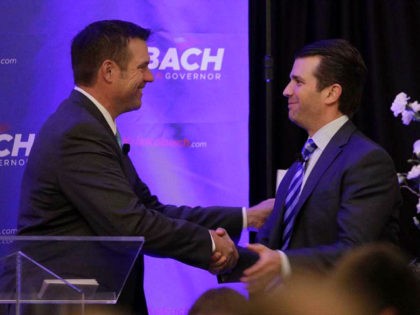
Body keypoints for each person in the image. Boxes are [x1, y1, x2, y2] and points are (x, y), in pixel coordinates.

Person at [16, 20, 274, 314]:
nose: (150, 77)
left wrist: (247, 218)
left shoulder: (90, 125)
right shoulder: (79, 132)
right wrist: (211, 246)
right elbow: (130, 224)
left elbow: (151, 210)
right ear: (109, 71)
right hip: (72, 304)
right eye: (142, 67)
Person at [219, 39, 401, 293]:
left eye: (298, 82)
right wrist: (232, 255)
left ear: (331, 93)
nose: (286, 90)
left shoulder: (367, 161)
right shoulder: (302, 162)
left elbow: (354, 252)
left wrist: (281, 263)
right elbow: (274, 245)